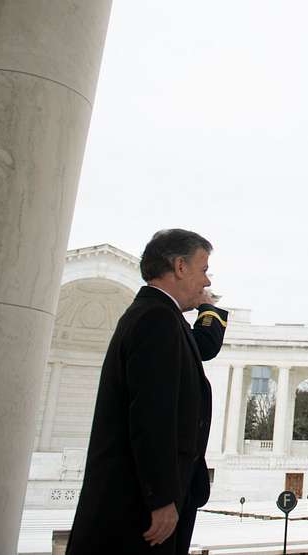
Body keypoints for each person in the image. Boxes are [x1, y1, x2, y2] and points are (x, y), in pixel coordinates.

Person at [67, 229, 228, 554]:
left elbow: (201, 349)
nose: (207, 281)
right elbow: (151, 414)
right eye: (203, 269)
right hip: (141, 504)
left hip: (142, 498)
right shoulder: (156, 319)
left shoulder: (163, 318)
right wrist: (161, 497)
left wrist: (209, 311)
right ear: (180, 267)